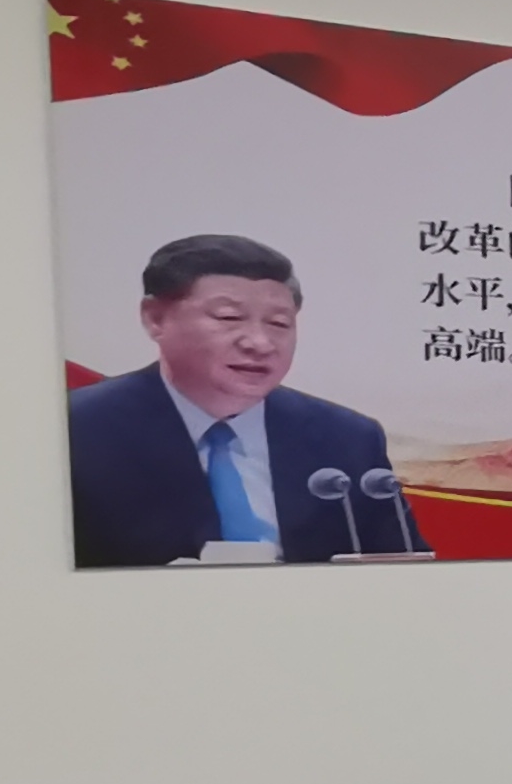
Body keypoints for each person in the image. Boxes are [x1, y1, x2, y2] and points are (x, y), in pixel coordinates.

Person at [65, 232, 407, 566]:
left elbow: (399, 567)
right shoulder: (74, 430)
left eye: (279, 323)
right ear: (155, 318)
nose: (260, 343)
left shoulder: (347, 438)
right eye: (229, 318)